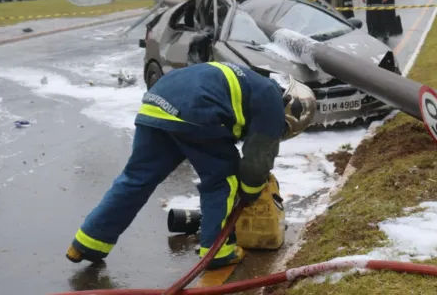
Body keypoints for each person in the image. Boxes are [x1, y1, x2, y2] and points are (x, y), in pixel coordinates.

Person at [66, 62, 317, 270]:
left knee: (136, 179)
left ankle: (88, 242)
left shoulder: (252, 81)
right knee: (223, 179)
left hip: (157, 103)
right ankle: (217, 251)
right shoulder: (271, 99)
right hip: (195, 110)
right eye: (284, 128)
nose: (280, 131)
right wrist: (251, 191)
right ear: (291, 107)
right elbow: (257, 159)